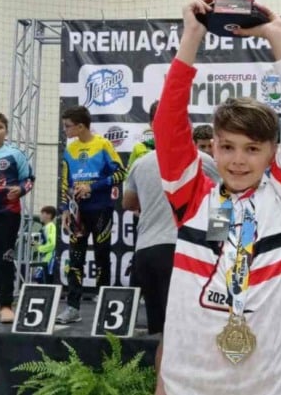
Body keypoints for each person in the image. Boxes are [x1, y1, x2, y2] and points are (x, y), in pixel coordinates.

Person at [153, 0, 281, 395]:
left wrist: (278, 37)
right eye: (228, 147)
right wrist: (191, 37)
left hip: (264, 387)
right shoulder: (191, 198)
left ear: (272, 153)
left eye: (252, 148)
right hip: (185, 386)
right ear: (212, 148)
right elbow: (168, 123)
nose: (238, 160)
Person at [123, 132, 219, 384]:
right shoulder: (202, 160)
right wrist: (220, 244)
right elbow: (224, 200)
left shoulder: (140, 163)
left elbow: (128, 202)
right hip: (185, 252)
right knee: (197, 334)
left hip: (147, 252)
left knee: (167, 336)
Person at [56, 105, 126, 324]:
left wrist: (92, 187)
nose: (64, 130)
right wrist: (65, 210)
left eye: (67, 126)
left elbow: (121, 173)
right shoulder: (70, 149)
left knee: (101, 256)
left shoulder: (103, 144)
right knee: (75, 259)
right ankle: (72, 308)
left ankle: (105, 306)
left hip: (101, 210)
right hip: (78, 214)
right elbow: (65, 183)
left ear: (81, 126)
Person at [0, 112, 34, 323]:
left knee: (4, 259)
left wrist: (21, 190)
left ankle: (6, 306)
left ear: (6, 131)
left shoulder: (16, 154)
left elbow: (29, 179)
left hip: (7, 216)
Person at [127, 101, 160, 169]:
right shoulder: (138, 149)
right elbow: (129, 177)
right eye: (159, 120)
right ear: (151, 124)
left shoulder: (180, 149)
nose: (163, 124)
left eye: (167, 120)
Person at [33, 206, 58, 284]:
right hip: (45, 257)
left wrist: (39, 247)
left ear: (49, 215)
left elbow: (52, 244)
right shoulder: (45, 227)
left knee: (44, 278)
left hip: (49, 257)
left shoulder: (51, 227)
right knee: (39, 277)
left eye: (42, 213)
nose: (40, 215)